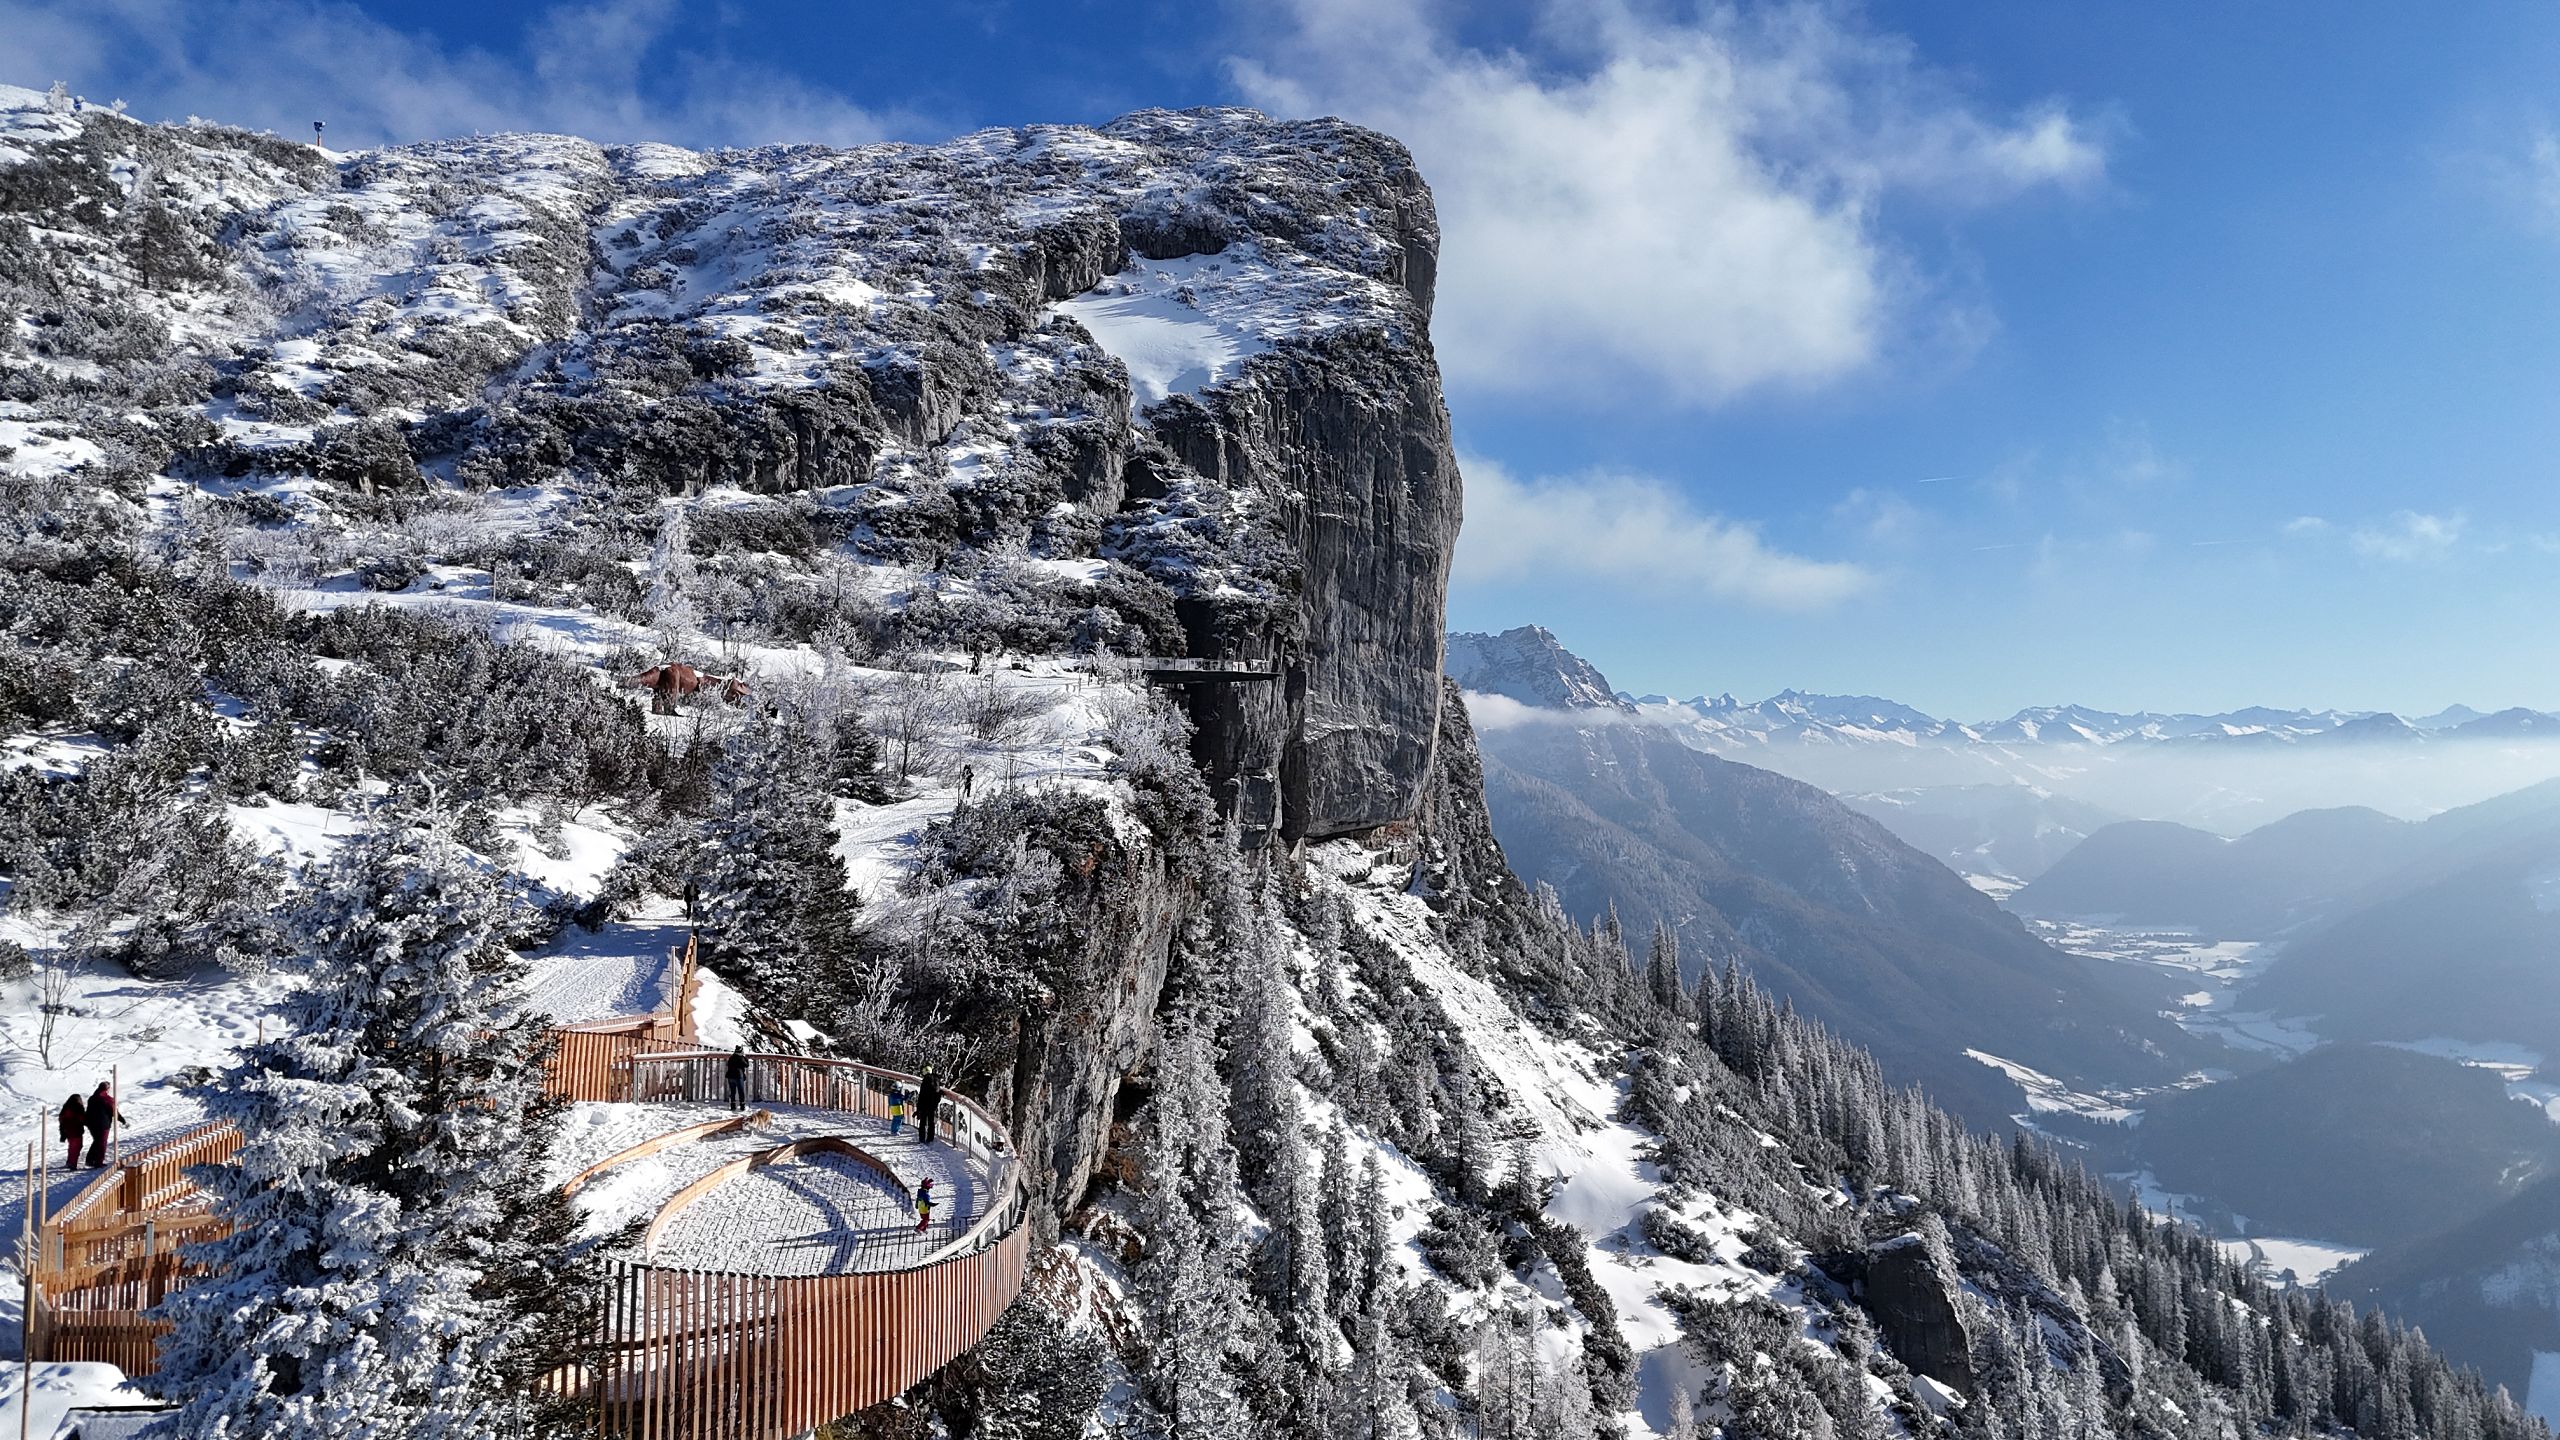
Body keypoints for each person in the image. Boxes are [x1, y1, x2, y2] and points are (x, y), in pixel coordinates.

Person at [85, 1082, 116, 1169]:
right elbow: (113, 1112)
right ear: (107, 1089)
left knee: (97, 1141)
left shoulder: (92, 1098)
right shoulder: (107, 1099)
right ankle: (98, 1162)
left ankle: (90, 1160)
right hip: (103, 1124)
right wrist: (122, 1120)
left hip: (91, 1123)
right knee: (102, 1142)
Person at [915, 1065, 943, 1146]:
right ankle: (930, 1138)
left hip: (924, 1104)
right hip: (933, 1105)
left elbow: (922, 1095)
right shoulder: (936, 1080)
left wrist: (918, 1108)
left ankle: (922, 1139)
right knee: (931, 1122)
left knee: (923, 1123)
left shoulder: (925, 1081)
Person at [57, 1093, 85, 1170]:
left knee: (72, 1147)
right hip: (76, 1131)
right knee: (76, 1147)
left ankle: (70, 1162)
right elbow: (82, 1119)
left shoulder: (66, 1107)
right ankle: (72, 1163)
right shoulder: (79, 1108)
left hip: (67, 1131)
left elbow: (61, 1119)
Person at [725, 1046, 748, 1112]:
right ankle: (742, 1105)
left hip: (730, 1076)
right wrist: (744, 1057)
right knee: (741, 1091)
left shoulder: (731, 1057)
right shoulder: (741, 1058)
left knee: (732, 1092)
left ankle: (732, 1105)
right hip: (738, 1076)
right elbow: (746, 1065)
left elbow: (728, 1064)